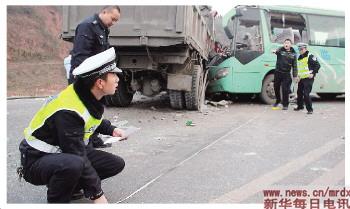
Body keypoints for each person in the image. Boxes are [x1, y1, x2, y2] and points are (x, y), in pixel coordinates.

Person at [18, 48, 125, 203]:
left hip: (63, 153)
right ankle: (58, 200)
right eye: (113, 75)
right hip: (37, 160)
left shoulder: (88, 94)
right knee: (73, 163)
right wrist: (97, 195)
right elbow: (77, 154)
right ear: (100, 83)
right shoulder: (68, 111)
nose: (117, 79)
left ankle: (72, 187)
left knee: (115, 164)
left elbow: (89, 118)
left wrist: (111, 129)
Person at [68, 6, 121, 148]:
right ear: (104, 12)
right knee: (83, 109)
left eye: (116, 21)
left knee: (96, 107)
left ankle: (94, 137)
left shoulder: (103, 29)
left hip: (97, 77)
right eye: (113, 19)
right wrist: (84, 80)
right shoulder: (87, 26)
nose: (113, 23)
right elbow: (80, 55)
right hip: (86, 78)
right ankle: (86, 140)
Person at [294, 43, 321, 114]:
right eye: (299, 49)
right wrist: (298, 77)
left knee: (306, 94)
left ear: (306, 49)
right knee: (299, 92)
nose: (300, 50)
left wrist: (313, 73)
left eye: (302, 49)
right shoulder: (300, 57)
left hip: (309, 78)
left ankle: (310, 109)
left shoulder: (310, 56)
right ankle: (300, 106)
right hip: (302, 78)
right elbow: (301, 69)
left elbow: (318, 65)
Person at [272, 39, 298, 110]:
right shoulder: (280, 51)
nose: (286, 44)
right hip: (278, 72)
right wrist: (275, 51)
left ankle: (285, 104)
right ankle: (278, 100)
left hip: (286, 74)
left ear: (290, 45)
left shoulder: (293, 54)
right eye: (285, 43)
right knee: (276, 87)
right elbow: (277, 51)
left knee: (285, 89)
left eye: (288, 43)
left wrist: (295, 75)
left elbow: (295, 66)